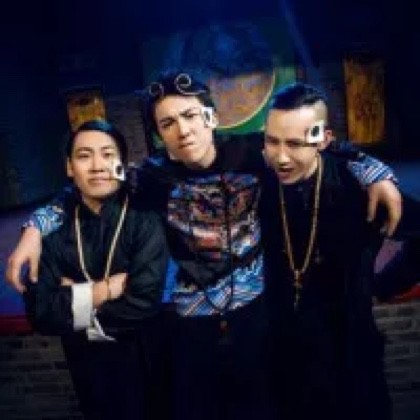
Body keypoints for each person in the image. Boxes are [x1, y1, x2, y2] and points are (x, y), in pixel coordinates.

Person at [8, 71, 402, 420]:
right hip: (190, 328)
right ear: (159, 134)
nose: (183, 130)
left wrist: (377, 173)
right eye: (168, 123)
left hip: (256, 320)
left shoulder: (253, 153)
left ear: (211, 117)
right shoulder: (149, 176)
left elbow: (321, 145)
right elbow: (88, 182)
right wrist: (35, 227)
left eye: (190, 115)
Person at [259, 82, 420, 420]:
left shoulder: (359, 187)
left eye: (295, 144)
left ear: (323, 140)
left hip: (350, 356)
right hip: (286, 359)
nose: (281, 157)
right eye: (272, 141)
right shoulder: (260, 182)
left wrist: (387, 283)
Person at [23, 120, 168, 420]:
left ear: (121, 163)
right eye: (84, 156)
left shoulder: (145, 217)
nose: (98, 166)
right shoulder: (49, 229)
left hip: (145, 355)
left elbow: (145, 301)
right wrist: (105, 290)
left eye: (107, 154)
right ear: (69, 167)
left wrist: (73, 300)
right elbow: (41, 312)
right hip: (86, 364)